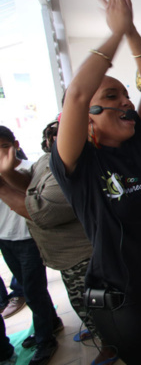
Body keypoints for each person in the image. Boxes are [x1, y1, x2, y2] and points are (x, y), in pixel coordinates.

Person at [49, 0, 141, 364]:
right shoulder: (78, 164)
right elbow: (76, 93)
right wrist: (113, 34)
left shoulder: (131, 148)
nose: (127, 101)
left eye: (126, 93)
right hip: (121, 298)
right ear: (87, 119)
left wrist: (130, 31)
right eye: (112, 96)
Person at [0, 121, 116, 364]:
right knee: (83, 302)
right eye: (52, 133)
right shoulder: (47, 161)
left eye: (63, 132)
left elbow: (41, 212)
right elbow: (30, 186)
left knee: (92, 303)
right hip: (64, 254)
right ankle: (100, 333)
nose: (56, 137)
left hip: (81, 253)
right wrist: (8, 172)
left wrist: (1, 182)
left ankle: (109, 345)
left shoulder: (74, 167)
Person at [0, 126, 63, 365]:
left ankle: (46, 340)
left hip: (30, 241)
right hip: (6, 241)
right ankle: (52, 322)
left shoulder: (29, 170)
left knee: (34, 291)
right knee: (29, 289)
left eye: (4, 147)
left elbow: (37, 204)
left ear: (15, 144)